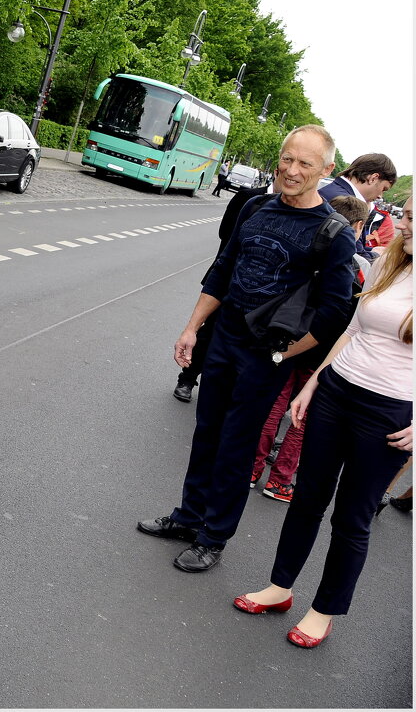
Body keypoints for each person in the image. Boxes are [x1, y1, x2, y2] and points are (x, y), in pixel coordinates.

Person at [138, 124, 356, 573]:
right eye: (287, 158)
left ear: (327, 170)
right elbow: (222, 270)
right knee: (205, 435)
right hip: (223, 340)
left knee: (236, 447)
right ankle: (188, 517)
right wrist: (192, 329)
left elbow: (334, 314)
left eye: (304, 164)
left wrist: (282, 357)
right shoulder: (255, 206)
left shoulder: (334, 233)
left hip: (269, 355)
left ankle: (213, 537)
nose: (291, 170)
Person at [232, 195, 412, 649]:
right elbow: (352, 331)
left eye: (411, 219)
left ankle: (324, 611)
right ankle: (280, 587)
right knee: (307, 498)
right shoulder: (389, 266)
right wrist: (314, 383)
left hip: (389, 412)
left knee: (352, 518)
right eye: (406, 215)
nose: (402, 225)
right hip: (336, 391)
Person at [251, 194, 370, 503]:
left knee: (274, 406)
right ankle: (280, 481)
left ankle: (251, 468)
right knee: (302, 418)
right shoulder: (359, 266)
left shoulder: (310, 249)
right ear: (357, 226)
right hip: (327, 351)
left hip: (291, 339)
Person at [173, 180, 272, 402]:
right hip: (229, 277)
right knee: (208, 330)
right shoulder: (249, 199)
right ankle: (187, 378)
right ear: (276, 171)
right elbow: (225, 233)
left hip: (260, 294)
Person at [318, 153, 397, 262]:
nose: (380, 196)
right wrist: (378, 255)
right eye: (384, 189)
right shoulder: (349, 203)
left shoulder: (333, 191)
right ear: (373, 178)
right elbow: (355, 257)